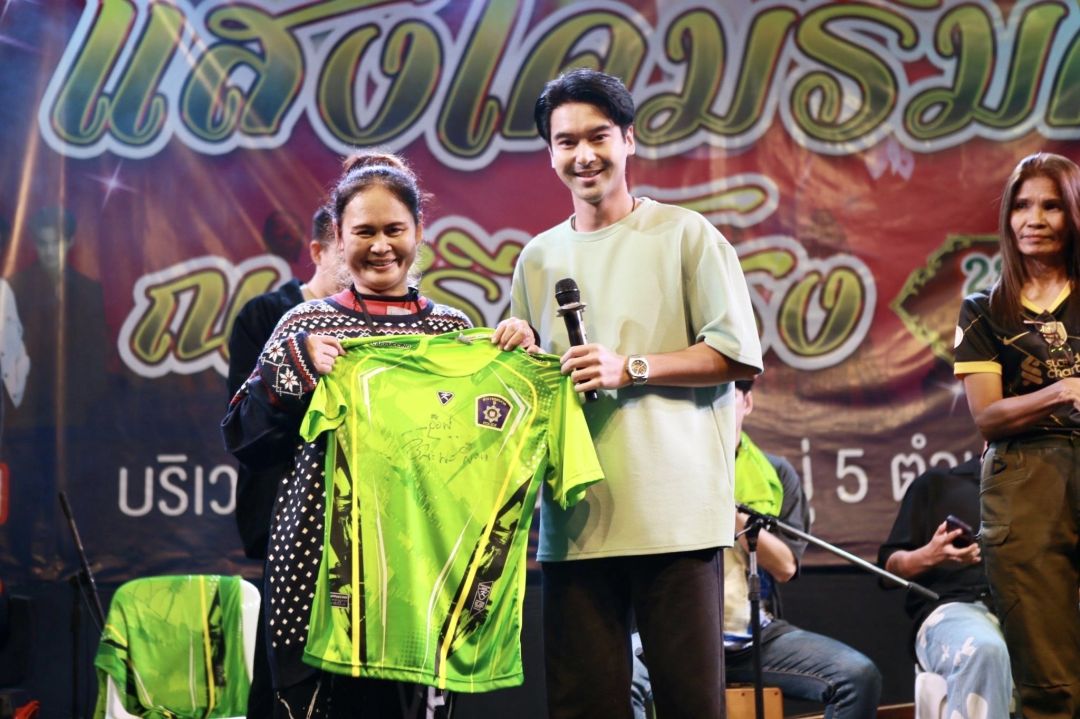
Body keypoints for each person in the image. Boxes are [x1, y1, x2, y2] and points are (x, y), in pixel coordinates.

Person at [222, 152, 541, 718]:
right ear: (337, 238)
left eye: (394, 230)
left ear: (418, 232)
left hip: (417, 568)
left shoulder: (450, 331)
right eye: (363, 232)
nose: (380, 246)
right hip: (316, 569)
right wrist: (292, 368)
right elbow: (244, 439)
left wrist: (513, 353)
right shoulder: (304, 324)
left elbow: (476, 455)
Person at [511, 68, 763, 718]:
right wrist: (515, 352)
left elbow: (736, 353)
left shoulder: (686, 234)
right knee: (582, 707)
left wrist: (631, 368)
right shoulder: (537, 258)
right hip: (576, 521)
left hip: (675, 518)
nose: (583, 154)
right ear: (549, 153)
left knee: (690, 705)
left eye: (598, 136)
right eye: (566, 141)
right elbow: (533, 389)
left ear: (628, 139)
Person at [631, 379, 882, 719]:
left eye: (726, 395)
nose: (715, 406)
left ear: (746, 402)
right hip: (673, 634)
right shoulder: (665, 469)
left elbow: (785, 566)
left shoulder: (774, 473)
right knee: (623, 678)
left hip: (754, 638)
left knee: (857, 676)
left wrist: (729, 506)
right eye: (704, 397)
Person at [954, 151, 1080, 717]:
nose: (1035, 219)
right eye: (1022, 206)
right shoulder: (984, 310)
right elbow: (988, 417)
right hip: (1025, 484)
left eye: (1051, 206)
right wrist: (1063, 390)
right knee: (1048, 680)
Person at [225, 204, 349, 719]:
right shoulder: (270, 316)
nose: (370, 253)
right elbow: (247, 425)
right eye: (352, 242)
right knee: (286, 670)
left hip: (364, 525)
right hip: (289, 513)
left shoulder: (409, 323)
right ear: (319, 251)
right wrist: (299, 367)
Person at [878, 457, 1013, 718]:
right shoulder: (937, 484)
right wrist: (930, 555)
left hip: (1030, 609)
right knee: (983, 649)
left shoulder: (1048, 493)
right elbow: (888, 570)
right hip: (957, 607)